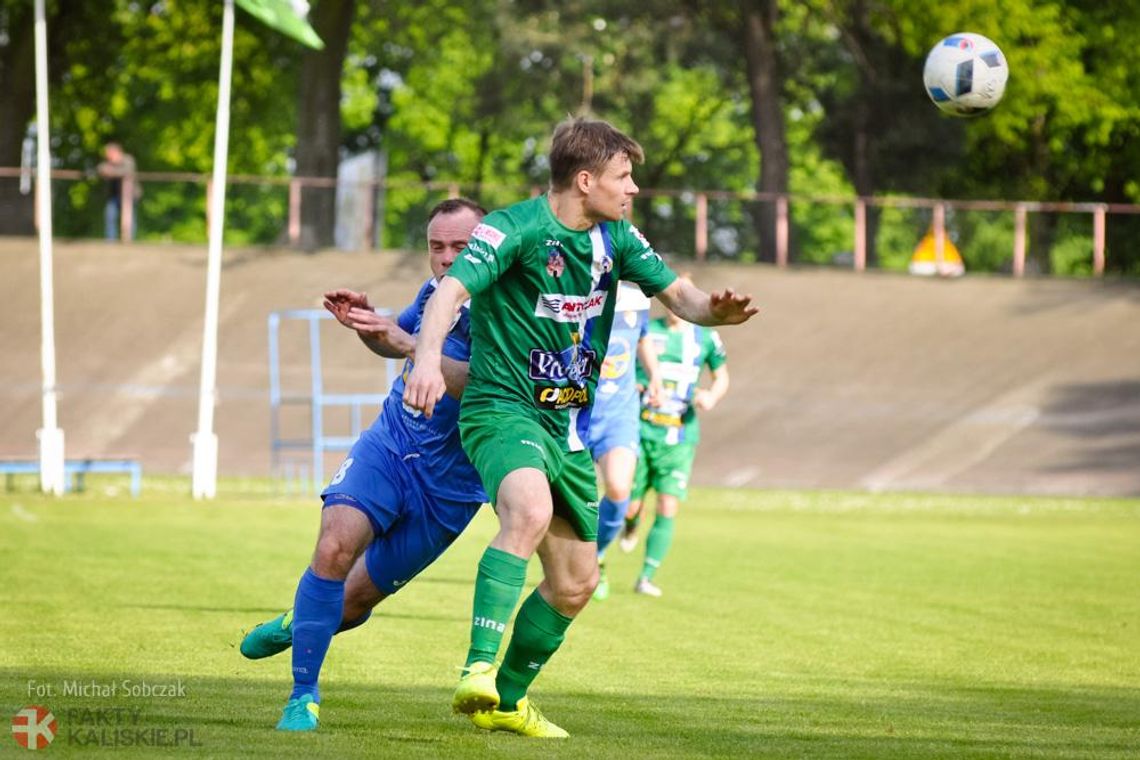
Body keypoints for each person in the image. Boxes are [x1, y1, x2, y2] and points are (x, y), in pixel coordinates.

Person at [403, 117, 758, 738]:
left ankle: (506, 701)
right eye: (625, 177)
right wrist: (428, 359)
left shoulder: (617, 237)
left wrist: (716, 314)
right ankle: (477, 669)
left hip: (565, 423)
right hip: (502, 409)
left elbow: (682, 297)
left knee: (577, 584)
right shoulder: (511, 229)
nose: (634, 190)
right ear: (585, 179)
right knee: (529, 511)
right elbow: (448, 292)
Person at [239, 198, 489, 732]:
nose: (446, 259)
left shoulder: (508, 309)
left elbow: (490, 387)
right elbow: (394, 346)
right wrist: (366, 322)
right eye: (436, 247)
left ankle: (294, 622)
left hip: (450, 489)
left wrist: (409, 344)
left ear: (486, 245)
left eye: (460, 247)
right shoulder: (431, 295)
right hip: (392, 446)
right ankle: (302, 697)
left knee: (349, 600)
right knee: (333, 546)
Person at [625, 275, 730, 597]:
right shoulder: (647, 331)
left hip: (679, 436)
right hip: (641, 429)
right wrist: (635, 386)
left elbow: (722, 376)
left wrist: (711, 396)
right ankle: (626, 528)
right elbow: (621, 364)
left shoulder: (706, 339)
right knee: (629, 506)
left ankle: (646, 576)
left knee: (668, 505)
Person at [587, 281, 660, 601]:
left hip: (619, 414)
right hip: (572, 411)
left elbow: (641, 338)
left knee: (619, 488)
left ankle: (595, 559)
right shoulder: (572, 288)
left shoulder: (635, 299)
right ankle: (567, 562)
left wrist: (654, 376)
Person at [96, 141, 140, 240]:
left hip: (129, 195)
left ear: (115, 152)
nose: (107, 155)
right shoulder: (108, 163)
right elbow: (100, 169)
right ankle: (110, 240)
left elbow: (126, 171)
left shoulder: (128, 160)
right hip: (114, 195)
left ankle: (129, 239)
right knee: (110, 217)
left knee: (129, 219)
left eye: (108, 153)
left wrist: (111, 171)